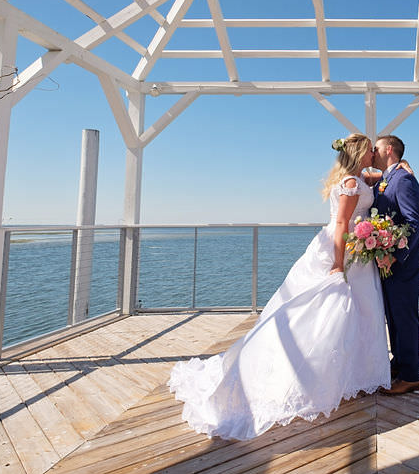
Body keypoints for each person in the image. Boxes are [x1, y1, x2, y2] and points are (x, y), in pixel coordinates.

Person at [167, 133, 390, 440]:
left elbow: (376, 176)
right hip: (346, 250)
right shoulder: (352, 184)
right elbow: (341, 224)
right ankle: (326, 378)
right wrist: (338, 263)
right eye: (368, 152)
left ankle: (358, 375)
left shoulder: (354, 178)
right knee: (331, 313)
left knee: (359, 309)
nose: (371, 158)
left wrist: (397, 165)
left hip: (355, 251)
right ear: (360, 154)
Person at [371, 134, 419, 395]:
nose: (373, 151)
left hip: (404, 262)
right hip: (388, 261)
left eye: (377, 148)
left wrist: (394, 256)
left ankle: (411, 376)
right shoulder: (387, 178)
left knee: (404, 318)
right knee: (392, 317)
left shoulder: (404, 179)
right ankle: (399, 363)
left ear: (389, 149)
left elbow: (413, 223)